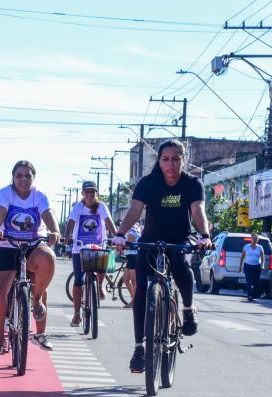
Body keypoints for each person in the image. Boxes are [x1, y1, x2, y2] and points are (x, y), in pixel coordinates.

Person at [112, 139, 211, 374]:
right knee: (141, 293)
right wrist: (120, 233)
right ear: (159, 161)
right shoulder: (147, 183)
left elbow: (198, 210)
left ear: (183, 160)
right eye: (165, 159)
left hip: (180, 240)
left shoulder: (192, 184)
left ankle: (187, 309)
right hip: (150, 242)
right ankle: (139, 348)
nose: (171, 164)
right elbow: (135, 210)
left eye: (176, 158)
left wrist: (204, 235)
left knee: (179, 264)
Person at [0, 161, 60, 353]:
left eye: (28, 175)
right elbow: (0, 212)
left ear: (33, 178)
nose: (23, 179)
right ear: (13, 177)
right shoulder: (5, 193)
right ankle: (0, 339)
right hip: (7, 245)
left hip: (33, 246)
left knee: (48, 258)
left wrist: (54, 230)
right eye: (19, 175)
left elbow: (48, 213)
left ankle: (36, 301)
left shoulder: (39, 196)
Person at [65, 181, 117, 327]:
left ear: (96, 194)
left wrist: (117, 235)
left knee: (103, 262)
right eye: (87, 191)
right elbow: (71, 222)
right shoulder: (78, 207)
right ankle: (76, 314)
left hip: (97, 245)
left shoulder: (101, 207)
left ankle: (99, 285)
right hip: (80, 248)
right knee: (79, 281)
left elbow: (108, 221)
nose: (90, 194)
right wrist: (67, 234)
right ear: (83, 194)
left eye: (92, 192)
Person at [239, 232, 265, 302]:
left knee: (255, 281)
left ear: (258, 240)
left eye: (256, 239)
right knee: (249, 280)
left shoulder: (260, 247)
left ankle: (253, 295)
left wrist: (262, 265)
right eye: (253, 238)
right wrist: (240, 266)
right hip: (248, 266)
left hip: (257, 266)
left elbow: (263, 257)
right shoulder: (246, 246)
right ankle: (249, 295)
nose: (254, 240)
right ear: (251, 239)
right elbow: (242, 257)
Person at [122, 222, 142, 307]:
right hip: (130, 257)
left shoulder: (132, 230)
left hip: (134, 256)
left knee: (134, 280)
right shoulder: (132, 229)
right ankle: (134, 298)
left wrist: (120, 245)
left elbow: (128, 244)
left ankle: (134, 301)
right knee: (125, 279)